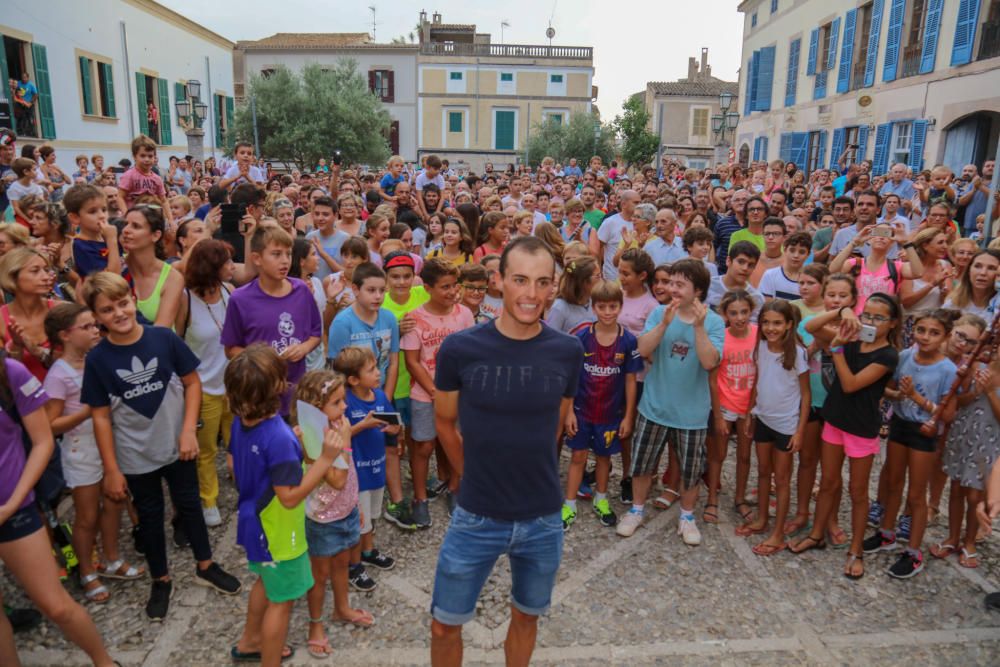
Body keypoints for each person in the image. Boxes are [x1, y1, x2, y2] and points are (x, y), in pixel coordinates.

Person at [430, 236, 583, 667]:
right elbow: (444, 421)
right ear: (499, 281)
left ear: (553, 286)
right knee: (444, 622)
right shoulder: (460, 349)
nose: (531, 294)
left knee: (527, 618)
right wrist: (466, 472)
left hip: (542, 517)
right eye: (520, 280)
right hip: (476, 514)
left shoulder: (567, 351)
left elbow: (557, 422)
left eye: (541, 283)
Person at [80, 272, 241, 620]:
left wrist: (188, 430)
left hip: (177, 446)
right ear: (96, 316)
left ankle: (205, 563)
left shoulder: (163, 339)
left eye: (123, 303)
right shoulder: (97, 360)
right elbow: (101, 417)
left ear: (134, 299)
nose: (119, 313)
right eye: (107, 310)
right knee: (150, 517)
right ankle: (161, 578)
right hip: (135, 456)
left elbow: (192, 383)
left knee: (190, 506)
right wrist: (110, 468)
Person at [0, 351, 119, 667]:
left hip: (14, 510)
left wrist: (13, 502)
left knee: (56, 606)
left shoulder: (9, 372)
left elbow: (43, 442)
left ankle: (104, 662)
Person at [226, 347, 343, 667]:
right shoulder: (277, 436)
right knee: (284, 601)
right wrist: (326, 460)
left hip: (254, 522)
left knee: (266, 582)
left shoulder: (240, 420)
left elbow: (238, 462)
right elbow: (290, 497)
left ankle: (250, 641)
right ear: (278, 384)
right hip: (278, 530)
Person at [792, 293, 900, 581]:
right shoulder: (851, 336)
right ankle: (817, 534)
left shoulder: (888, 355)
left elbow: (851, 384)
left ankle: (856, 549)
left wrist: (837, 351)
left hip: (861, 428)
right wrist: (843, 310)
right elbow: (811, 326)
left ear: (892, 323)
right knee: (827, 482)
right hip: (835, 420)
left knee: (858, 492)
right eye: (868, 315)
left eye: (879, 318)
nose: (871, 322)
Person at [617, 259, 724, 544]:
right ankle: (636, 510)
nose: (671, 288)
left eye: (680, 284)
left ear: (698, 290)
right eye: (670, 282)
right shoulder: (659, 313)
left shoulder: (713, 322)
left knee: (690, 471)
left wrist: (699, 328)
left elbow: (710, 362)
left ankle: (687, 517)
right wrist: (664, 324)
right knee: (642, 464)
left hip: (691, 413)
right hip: (654, 406)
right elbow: (642, 349)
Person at [43, 302, 143, 603]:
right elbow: (51, 424)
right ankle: (87, 570)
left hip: (108, 445)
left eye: (94, 325)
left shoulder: (97, 360)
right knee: (86, 516)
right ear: (65, 336)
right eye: (86, 327)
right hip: (81, 450)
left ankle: (112, 558)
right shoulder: (58, 375)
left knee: (114, 503)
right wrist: (89, 410)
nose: (95, 331)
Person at [864, 309, 957, 578]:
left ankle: (914, 552)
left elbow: (947, 414)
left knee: (916, 494)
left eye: (934, 332)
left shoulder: (948, 369)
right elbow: (890, 389)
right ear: (912, 330)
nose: (925, 337)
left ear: (945, 336)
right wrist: (896, 394)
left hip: (924, 433)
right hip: (900, 425)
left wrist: (916, 397)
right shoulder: (904, 356)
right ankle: (887, 532)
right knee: (893, 482)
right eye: (921, 330)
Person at [562, 280, 641, 530]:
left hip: (610, 413)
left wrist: (628, 417)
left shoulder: (628, 341)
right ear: (593, 307)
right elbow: (570, 375)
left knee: (604, 458)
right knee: (578, 456)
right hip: (581, 411)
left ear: (620, 306)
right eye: (602, 307)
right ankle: (569, 504)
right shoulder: (581, 337)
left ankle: (601, 499)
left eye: (613, 306)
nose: (608, 312)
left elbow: (631, 380)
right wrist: (568, 412)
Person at [401, 258, 475, 526]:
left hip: (458, 393)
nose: (452, 291)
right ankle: (420, 497)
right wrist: (434, 390)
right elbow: (412, 361)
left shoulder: (464, 314)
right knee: (423, 446)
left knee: (455, 441)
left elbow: (471, 354)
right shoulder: (415, 319)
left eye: (454, 285)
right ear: (428, 288)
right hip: (424, 393)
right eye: (445, 286)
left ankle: (456, 488)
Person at [222, 225, 322, 417]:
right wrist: (265, 362)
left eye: (288, 254)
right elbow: (231, 349)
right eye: (276, 254)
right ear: (257, 258)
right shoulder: (240, 299)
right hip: (258, 399)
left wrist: (303, 348)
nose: (285, 261)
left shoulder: (301, 290)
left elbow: (315, 334)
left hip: (296, 397)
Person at [737, 300, 809, 555]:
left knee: (782, 479)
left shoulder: (798, 353)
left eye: (777, 323)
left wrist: (800, 430)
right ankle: (762, 519)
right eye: (766, 322)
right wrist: (749, 412)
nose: (771, 328)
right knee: (764, 473)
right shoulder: (761, 347)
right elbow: (758, 379)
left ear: (789, 324)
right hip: (763, 419)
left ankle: (778, 533)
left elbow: (805, 393)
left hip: (786, 425)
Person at [175, 240, 235, 527]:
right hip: (202, 388)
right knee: (207, 450)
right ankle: (209, 499)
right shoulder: (185, 299)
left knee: (238, 442)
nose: (232, 267)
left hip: (233, 386)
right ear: (211, 267)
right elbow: (175, 341)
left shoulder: (228, 291)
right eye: (226, 263)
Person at [332, 346, 399, 593]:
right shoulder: (345, 403)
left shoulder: (380, 396)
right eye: (371, 370)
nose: (378, 373)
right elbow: (339, 434)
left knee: (370, 517)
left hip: (376, 470)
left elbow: (394, 423)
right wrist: (364, 424)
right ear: (353, 379)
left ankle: (368, 552)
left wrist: (395, 429)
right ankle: (354, 566)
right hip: (355, 476)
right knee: (357, 523)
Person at [122, 204, 184, 327]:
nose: (126, 230)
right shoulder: (116, 267)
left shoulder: (172, 277)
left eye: (136, 226)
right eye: (125, 224)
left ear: (155, 235)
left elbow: (161, 331)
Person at [65, 184, 122, 282]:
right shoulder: (81, 246)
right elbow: (112, 280)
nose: (102, 216)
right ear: (75, 217)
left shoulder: (106, 236)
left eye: (104, 210)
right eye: (92, 212)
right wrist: (112, 241)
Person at [545, 255, 599, 335]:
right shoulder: (560, 308)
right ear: (584, 282)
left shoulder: (595, 302)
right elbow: (550, 339)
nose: (601, 280)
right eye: (598, 276)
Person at [593, 189, 639, 281]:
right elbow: (597, 248)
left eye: (640, 202)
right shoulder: (610, 222)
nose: (639, 206)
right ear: (623, 204)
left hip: (633, 280)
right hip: (612, 278)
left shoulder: (640, 223)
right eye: (636, 203)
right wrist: (599, 271)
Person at [117, 136, 169, 215]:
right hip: (134, 216)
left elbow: (164, 200)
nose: (147, 159)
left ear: (154, 157)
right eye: (142, 156)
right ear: (135, 156)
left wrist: (170, 220)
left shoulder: (157, 178)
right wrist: (126, 215)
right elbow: (120, 197)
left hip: (151, 217)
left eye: (150, 156)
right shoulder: (129, 175)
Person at [759, 230, 811, 302]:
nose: (796, 255)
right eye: (792, 250)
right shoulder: (770, 275)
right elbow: (766, 306)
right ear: (785, 250)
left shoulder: (810, 281)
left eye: (801, 252)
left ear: (808, 255)